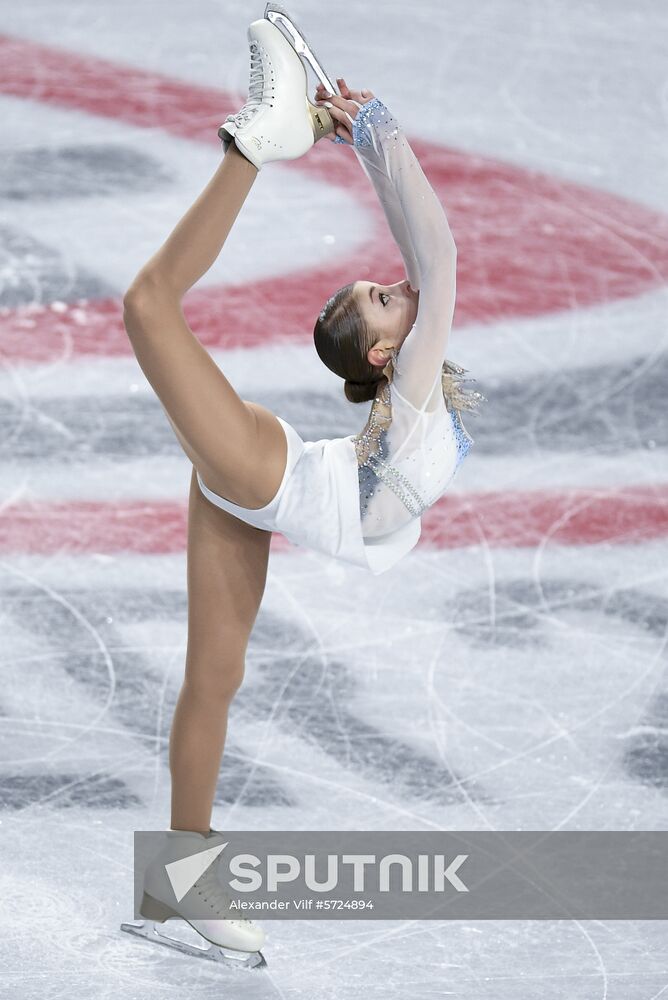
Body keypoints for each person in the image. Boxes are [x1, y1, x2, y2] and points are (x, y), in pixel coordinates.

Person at [120, 4, 485, 970]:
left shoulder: (404, 387)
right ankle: (255, 141)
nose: (397, 286)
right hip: (268, 475)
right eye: (383, 295)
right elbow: (439, 257)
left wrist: (371, 135)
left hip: (268, 493)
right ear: (381, 348)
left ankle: (176, 887)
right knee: (148, 307)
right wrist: (374, 129)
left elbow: (426, 259)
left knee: (215, 679)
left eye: (385, 291)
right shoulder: (408, 385)